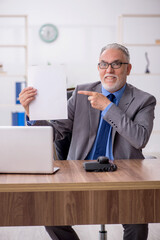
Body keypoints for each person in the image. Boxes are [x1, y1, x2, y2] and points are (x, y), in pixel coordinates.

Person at [19, 43, 156, 240]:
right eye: (103, 64)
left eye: (116, 64)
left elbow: (139, 138)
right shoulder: (81, 93)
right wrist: (31, 112)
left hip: (124, 175)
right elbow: (56, 132)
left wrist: (108, 107)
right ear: (98, 67)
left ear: (128, 68)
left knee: (137, 223)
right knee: (52, 217)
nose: (109, 70)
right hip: (80, 172)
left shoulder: (144, 100)